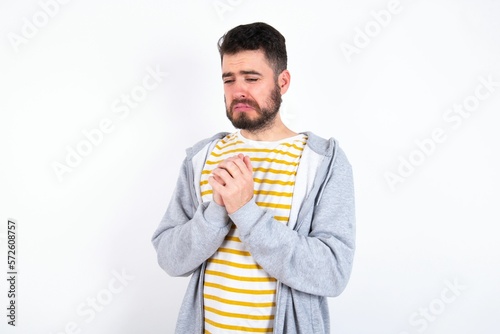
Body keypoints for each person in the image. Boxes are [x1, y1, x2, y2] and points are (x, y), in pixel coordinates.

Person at [152, 22, 355, 334]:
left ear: (283, 81)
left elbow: (332, 272)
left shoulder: (322, 162)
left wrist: (246, 210)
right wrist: (216, 213)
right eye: (228, 79)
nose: (239, 91)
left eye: (252, 78)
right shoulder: (201, 158)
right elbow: (169, 257)